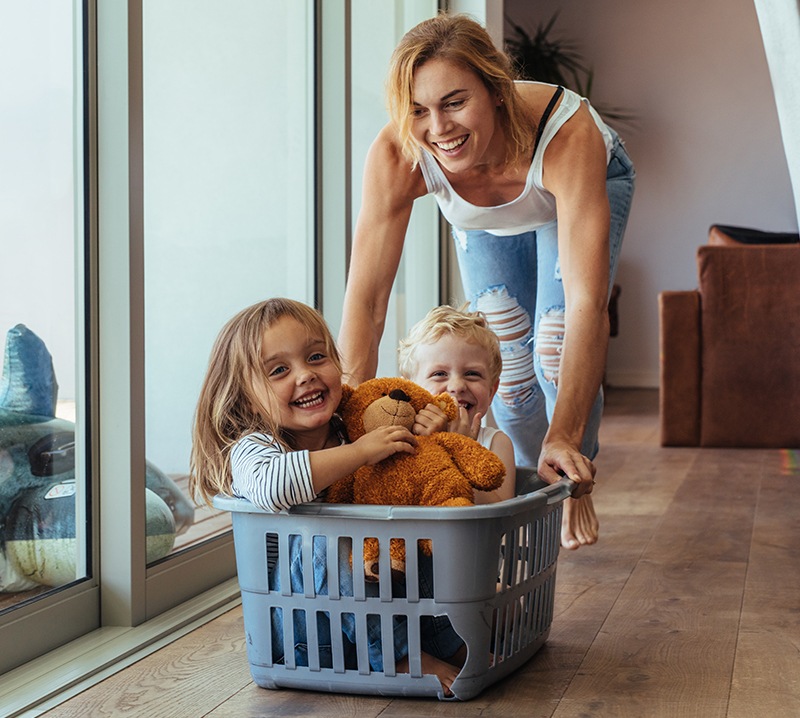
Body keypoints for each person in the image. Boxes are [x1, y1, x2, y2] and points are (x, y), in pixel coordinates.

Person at [338, 13, 635, 550]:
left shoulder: (567, 132)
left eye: (455, 102)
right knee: (511, 373)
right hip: (488, 219)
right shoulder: (400, 152)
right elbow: (368, 298)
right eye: (419, 110)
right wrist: (345, 419)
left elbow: (588, 302)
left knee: (552, 341)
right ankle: (527, 490)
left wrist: (565, 433)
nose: (439, 128)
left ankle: (571, 472)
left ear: (496, 90)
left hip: (576, 184)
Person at [189, 297, 463, 694]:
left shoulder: (353, 427)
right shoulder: (254, 447)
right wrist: (362, 452)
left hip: (376, 621)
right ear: (245, 397)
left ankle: (446, 644)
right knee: (327, 537)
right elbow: (273, 486)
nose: (305, 375)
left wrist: (426, 436)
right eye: (279, 370)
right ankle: (401, 657)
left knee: (414, 536)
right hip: (307, 636)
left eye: (317, 357)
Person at [398, 304, 516, 503]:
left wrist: (459, 449)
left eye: (472, 374)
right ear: (411, 388)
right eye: (439, 374)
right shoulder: (401, 437)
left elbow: (499, 512)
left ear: (491, 391)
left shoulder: (496, 443)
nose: (457, 386)